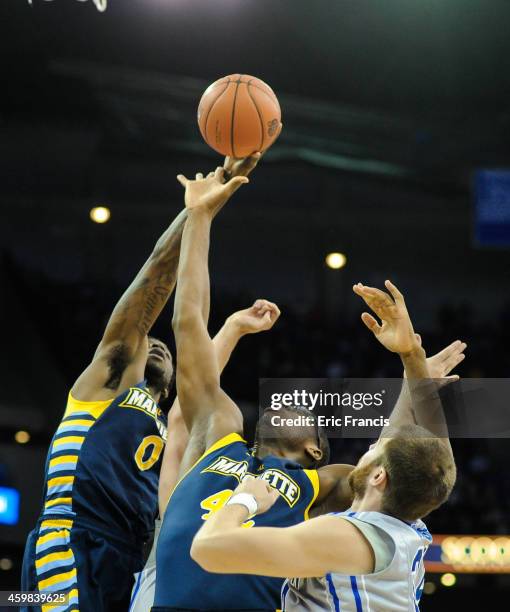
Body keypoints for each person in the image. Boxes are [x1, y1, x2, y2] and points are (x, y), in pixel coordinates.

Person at [152, 161, 465, 611]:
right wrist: (199, 219)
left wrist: (414, 372)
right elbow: (188, 326)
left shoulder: (326, 485)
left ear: (317, 449)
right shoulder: (217, 432)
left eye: (307, 416)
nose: (289, 403)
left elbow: (401, 455)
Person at [20, 156, 256, 612]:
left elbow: (199, 389)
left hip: (131, 555)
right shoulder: (104, 389)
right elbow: (154, 274)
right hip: (72, 537)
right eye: (152, 342)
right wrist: (196, 213)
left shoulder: (169, 426)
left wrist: (230, 330)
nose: (160, 346)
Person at [191, 281, 460, 612]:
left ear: (378, 477)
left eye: (374, 449)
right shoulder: (408, 524)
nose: (376, 441)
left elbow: (209, 547)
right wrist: (411, 357)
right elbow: (431, 452)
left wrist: (245, 500)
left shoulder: (347, 536)